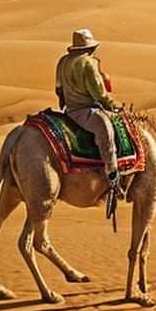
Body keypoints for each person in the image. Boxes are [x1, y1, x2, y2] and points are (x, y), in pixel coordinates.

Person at [55, 28, 123, 206]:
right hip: (86, 112)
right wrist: (115, 106)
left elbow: (59, 90)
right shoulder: (88, 63)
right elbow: (99, 94)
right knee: (106, 130)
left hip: (69, 112)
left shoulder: (63, 62)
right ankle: (113, 175)